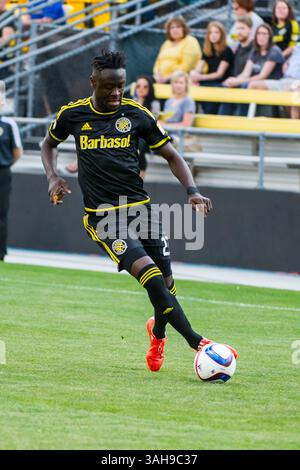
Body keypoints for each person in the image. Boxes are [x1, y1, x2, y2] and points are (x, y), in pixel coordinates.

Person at [41, 50, 237, 372]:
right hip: (103, 218)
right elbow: (48, 144)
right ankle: (200, 344)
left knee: (168, 284)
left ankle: (157, 333)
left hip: (141, 210)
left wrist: (193, 192)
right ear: (93, 83)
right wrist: (52, 177)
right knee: (153, 279)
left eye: (120, 86)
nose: (116, 93)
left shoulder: (137, 115)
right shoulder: (73, 115)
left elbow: (173, 155)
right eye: (108, 87)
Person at [224, 24, 284, 115]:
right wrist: (234, 80)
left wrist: (239, 81)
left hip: (270, 83)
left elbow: (262, 76)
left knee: (244, 85)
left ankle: (242, 118)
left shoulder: (274, 51)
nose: (261, 37)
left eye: (265, 34)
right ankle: (225, 118)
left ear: (270, 37)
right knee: (227, 85)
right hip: (254, 81)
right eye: (259, 34)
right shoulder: (255, 51)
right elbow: (245, 73)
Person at [0, 81, 23, 261]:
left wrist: (5, 163)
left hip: (2, 173)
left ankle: (1, 251)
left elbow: (17, 152)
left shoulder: (9, 125)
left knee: (1, 212)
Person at [190, 21, 234, 114]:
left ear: (222, 35)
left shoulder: (227, 50)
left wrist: (200, 77)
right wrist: (194, 74)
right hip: (206, 82)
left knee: (210, 107)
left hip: (219, 83)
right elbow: (199, 68)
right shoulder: (207, 50)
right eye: (211, 32)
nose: (213, 35)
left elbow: (219, 74)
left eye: (216, 32)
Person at [249, 41, 300, 118]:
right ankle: (251, 122)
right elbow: (290, 59)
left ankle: (293, 127)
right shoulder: (297, 46)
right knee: (254, 85)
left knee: (295, 94)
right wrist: (287, 62)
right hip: (285, 80)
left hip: (297, 83)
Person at [219, 16, 253, 115]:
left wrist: (236, 80)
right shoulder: (238, 47)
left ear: (250, 30)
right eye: (237, 28)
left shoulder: (254, 47)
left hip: (246, 84)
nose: (239, 32)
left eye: (242, 28)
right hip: (233, 83)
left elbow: (249, 73)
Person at [153, 16, 201, 83]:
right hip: (160, 78)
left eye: (178, 27)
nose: (175, 30)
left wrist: (167, 78)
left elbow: (187, 66)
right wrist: (157, 75)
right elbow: (157, 63)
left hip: (180, 79)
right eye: (172, 28)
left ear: (183, 29)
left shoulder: (190, 41)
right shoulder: (166, 43)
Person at [132, 75, 160, 179]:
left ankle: (139, 176)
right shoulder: (132, 102)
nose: (141, 89)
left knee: (140, 144)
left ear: (150, 88)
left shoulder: (154, 103)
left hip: (148, 136)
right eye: (138, 86)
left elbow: (152, 121)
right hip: (135, 135)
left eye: (145, 87)